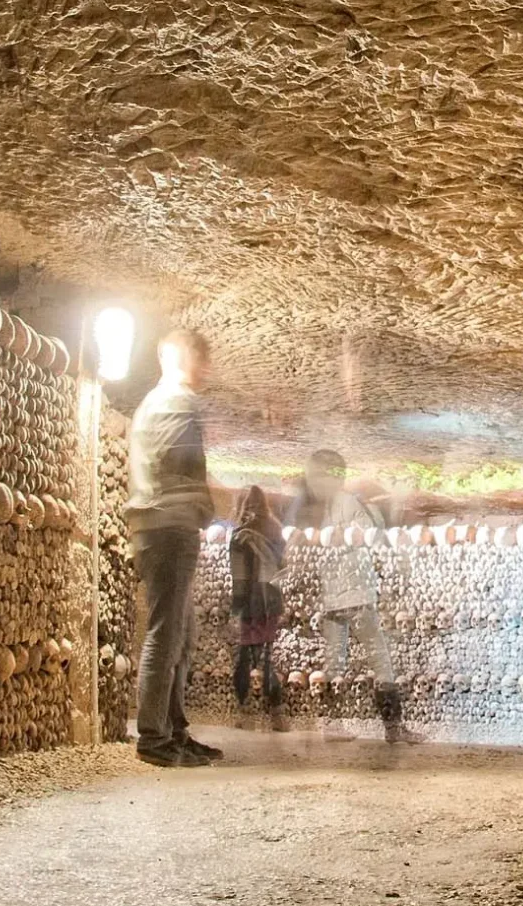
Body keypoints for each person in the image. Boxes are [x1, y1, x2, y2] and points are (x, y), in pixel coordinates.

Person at [127, 329, 220, 768]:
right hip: (168, 527)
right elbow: (185, 465)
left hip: (160, 527)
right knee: (166, 635)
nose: (207, 369)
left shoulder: (154, 403)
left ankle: (174, 730)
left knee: (181, 634)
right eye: (203, 359)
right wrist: (207, 504)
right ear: (183, 357)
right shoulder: (177, 402)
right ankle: (154, 737)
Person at [286, 447, 415, 744]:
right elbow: (370, 537)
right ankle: (393, 728)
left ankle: (331, 725)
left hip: (330, 598)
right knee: (381, 660)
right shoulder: (347, 502)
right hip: (356, 595)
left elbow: (304, 549)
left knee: (334, 663)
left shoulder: (310, 510)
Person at [227, 485, 287, 729]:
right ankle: (277, 714)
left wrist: (236, 607)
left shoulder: (240, 535)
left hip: (251, 603)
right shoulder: (276, 530)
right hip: (270, 601)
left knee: (245, 657)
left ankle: (244, 711)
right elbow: (283, 567)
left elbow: (238, 576)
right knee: (267, 657)